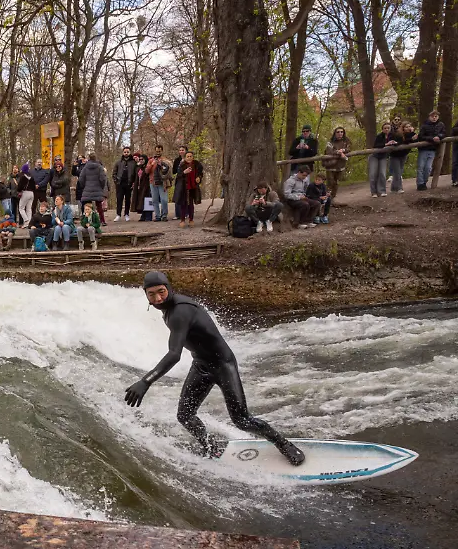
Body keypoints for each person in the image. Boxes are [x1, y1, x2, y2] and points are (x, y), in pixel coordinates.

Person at [124, 272, 305, 465]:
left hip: (222, 365)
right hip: (201, 365)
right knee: (185, 416)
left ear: (169, 288)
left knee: (242, 420)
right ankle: (211, 447)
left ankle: (284, 445)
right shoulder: (168, 310)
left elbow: (174, 354)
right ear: (145, 295)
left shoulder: (180, 311)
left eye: (161, 292)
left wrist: (146, 381)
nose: (157, 298)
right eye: (151, 294)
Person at [417, 109, 449, 190]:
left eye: (436, 116)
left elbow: (444, 133)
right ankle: (420, 184)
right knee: (421, 167)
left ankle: (424, 182)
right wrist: (431, 139)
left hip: (433, 149)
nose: (434, 118)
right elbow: (421, 136)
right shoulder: (424, 125)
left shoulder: (441, 125)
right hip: (423, 149)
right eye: (432, 116)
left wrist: (439, 137)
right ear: (429, 117)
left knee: (428, 168)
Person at [77, 153, 108, 227]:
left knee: (86, 206)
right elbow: (103, 179)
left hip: (87, 189)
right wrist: (101, 186)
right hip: (97, 188)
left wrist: (85, 186)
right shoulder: (100, 167)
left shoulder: (85, 167)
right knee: (99, 206)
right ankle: (102, 220)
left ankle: (85, 221)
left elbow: (81, 179)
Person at [173, 150, 203, 227]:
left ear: (193, 157)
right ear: (185, 158)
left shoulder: (197, 165)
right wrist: (184, 173)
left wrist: (199, 178)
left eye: (190, 156)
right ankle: (182, 220)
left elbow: (200, 174)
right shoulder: (182, 165)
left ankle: (191, 220)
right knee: (183, 204)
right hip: (184, 187)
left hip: (193, 187)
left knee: (191, 204)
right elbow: (178, 176)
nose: (189, 158)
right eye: (187, 156)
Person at [146, 146, 171, 222]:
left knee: (164, 200)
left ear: (162, 151)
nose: (158, 152)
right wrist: (152, 164)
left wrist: (161, 164)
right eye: (157, 151)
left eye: (159, 151)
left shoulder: (166, 160)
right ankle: (157, 216)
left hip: (162, 182)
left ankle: (164, 215)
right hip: (153, 182)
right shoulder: (151, 160)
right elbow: (146, 171)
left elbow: (168, 170)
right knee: (154, 200)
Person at [323, 127, 349, 198]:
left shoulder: (346, 141)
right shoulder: (330, 142)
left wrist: (343, 150)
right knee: (330, 183)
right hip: (330, 166)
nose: (340, 133)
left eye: (341, 132)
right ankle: (326, 198)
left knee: (336, 183)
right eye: (338, 132)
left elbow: (349, 148)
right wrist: (338, 152)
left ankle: (332, 198)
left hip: (341, 166)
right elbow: (329, 152)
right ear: (335, 133)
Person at [389, 121, 414, 193]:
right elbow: (402, 142)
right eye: (406, 127)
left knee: (400, 170)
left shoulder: (410, 134)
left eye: (409, 126)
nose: (408, 128)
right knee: (397, 172)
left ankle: (393, 188)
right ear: (403, 128)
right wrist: (411, 138)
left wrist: (412, 133)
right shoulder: (398, 134)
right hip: (395, 155)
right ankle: (399, 188)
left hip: (404, 154)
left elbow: (414, 140)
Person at [370, 123, 392, 197]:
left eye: (388, 128)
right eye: (385, 128)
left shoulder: (392, 136)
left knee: (382, 174)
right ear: (382, 129)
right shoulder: (379, 136)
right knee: (373, 174)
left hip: (383, 156)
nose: (386, 129)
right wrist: (386, 144)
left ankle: (382, 191)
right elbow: (376, 146)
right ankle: (374, 192)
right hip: (374, 156)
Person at [112, 147, 134, 222]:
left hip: (129, 184)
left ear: (130, 152)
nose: (126, 153)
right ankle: (118, 214)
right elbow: (114, 173)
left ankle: (127, 214)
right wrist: (116, 182)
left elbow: (135, 174)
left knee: (128, 200)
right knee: (119, 199)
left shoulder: (133, 162)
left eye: (127, 152)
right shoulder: (118, 162)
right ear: (123, 153)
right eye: (125, 152)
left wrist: (133, 182)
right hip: (120, 184)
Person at [16, 163, 36, 227]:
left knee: (21, 208)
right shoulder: (32, 177)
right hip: (31, 193)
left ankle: (26, 220)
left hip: (25, 193)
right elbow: (34, 186)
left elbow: (19, 187)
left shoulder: (22, 177)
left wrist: (19, 191)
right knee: (29, 208)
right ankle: (28, 223)